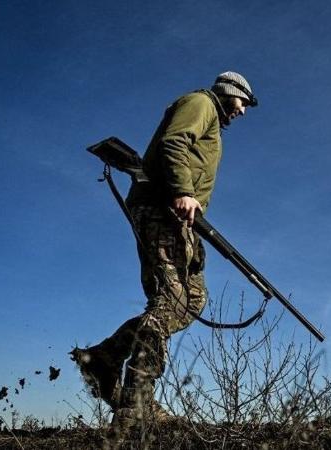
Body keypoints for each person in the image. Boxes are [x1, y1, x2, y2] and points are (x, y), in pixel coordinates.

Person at [70, 71, 258, 432]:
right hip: (161, 207)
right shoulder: (201, 103)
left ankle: (105, 357)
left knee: (192, 299)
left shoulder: (214, 125)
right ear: (230, 92)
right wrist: (183, 191)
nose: (244, 111)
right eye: (244, 102)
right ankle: (136, 403)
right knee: (170, 300)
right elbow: (174, 143)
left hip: (178, 216)